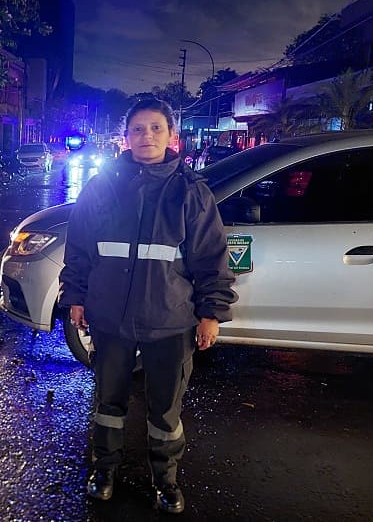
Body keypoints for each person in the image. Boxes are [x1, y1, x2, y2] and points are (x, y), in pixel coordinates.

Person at [58, 99, 237, 514]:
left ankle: (166, 479)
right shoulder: (101, 188)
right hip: (110, 318)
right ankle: (104, 470)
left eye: (156, 128)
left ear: (171, 136)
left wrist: (211, 313)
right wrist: (76, 299)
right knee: (108, 403)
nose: (147, 137)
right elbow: (80, 249)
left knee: (165, 409)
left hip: (170, 321)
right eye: (138, 129)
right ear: (126, 137)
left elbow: (211, 258)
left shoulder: (190, 192)